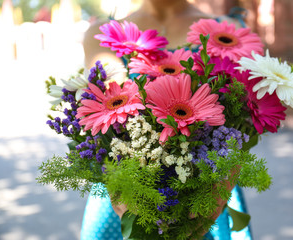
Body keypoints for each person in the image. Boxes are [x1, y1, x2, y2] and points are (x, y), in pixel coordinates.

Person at [80, 0, 253, 239]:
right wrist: (117, 180)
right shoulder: (102, 34)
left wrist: (226, 179)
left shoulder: (231, 31)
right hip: (125, 197)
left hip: (208, 195)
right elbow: (105, 113)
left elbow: (247, 120)